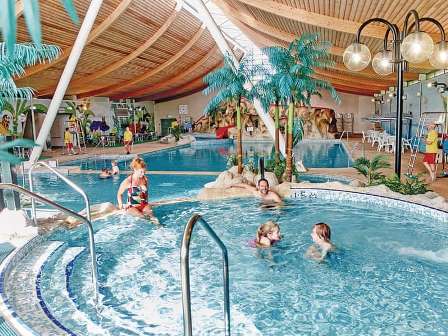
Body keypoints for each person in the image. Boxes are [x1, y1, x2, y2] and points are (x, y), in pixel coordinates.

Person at [116, 158, 159, 224]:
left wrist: (147, 203)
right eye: (141, 172)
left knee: (152, 217)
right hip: (132, 207)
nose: (143, 174)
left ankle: (160, 229)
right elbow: (119, 194)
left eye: (144, 172)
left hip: (143, 204)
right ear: (135, 170)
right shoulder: (128, 181)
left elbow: (146, 193)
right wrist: (120, 205)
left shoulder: (144, 179)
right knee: (142, 217)